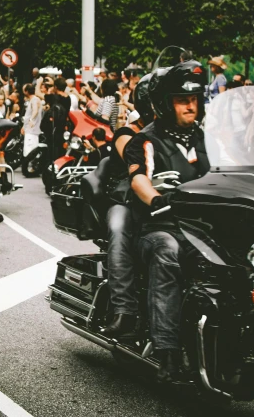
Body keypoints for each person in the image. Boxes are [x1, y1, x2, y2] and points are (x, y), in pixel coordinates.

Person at [123, 61, 209, 381]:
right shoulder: (146, 140)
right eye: (181, 99)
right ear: (164, 103)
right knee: (168, 251)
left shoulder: (207, 138)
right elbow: (138, 179)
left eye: (195, 99)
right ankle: (167, 350)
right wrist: (157, 200)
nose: (191, 105)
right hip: (159, 227)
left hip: (204, 228)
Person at [99, 74, 154, 340]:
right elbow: (135, 156)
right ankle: (124, 310)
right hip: (125, 200)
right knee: (119, 227)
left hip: (161, 201)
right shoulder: (126, 133)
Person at [22, 83, 42, 157]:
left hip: (32, 131)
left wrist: (31, 119)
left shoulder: (34, 100)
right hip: (29, 130)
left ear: (26, 91)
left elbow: (35, 110)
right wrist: (24, 127)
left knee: (29, 151)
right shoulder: (33, 100)